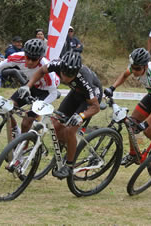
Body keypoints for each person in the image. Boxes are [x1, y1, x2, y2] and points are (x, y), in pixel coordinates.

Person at [20, 50, 102, 178]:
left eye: (71, 75)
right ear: (61, 67)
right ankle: (63, 149)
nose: (66, 78)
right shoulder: (57, 64)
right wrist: (28, 86)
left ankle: (69, 165)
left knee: (70, 130)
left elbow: (96, 107)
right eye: (64, 73)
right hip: (75, 93)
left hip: (90, 100)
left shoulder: (84, 79)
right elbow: (41, 71)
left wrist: (81, 116)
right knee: (55, 124)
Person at [104, 48, 151, 166]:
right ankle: (134, 155)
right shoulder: (136, 65)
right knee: (133, 124)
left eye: (137, 69)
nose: (134, 71)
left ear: (145, 67)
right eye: (133, 67)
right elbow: (124, 75)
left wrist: (146, 122)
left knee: (148, 130)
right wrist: (112, 87)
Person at [0, 38, 60, 137]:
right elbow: (0, 66)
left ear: (40, 58)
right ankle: (15, 131)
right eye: (28, 57)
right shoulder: (18, 57)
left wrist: (39, 107)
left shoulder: (46, 68)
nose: (30, 62)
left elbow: (53, 93)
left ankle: (23, 145)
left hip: (46, 91)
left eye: (34, 59)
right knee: (6, 108)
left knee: (26, 122)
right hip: (30, 85)